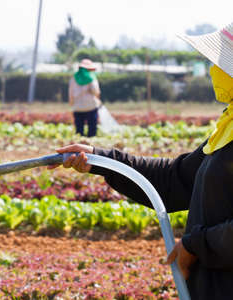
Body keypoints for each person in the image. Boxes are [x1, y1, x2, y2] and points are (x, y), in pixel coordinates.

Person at [53, 23, 233, 300]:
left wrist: (197, 246)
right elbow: (175, 179)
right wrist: (102, 159)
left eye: (220, 63)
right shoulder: (229, 126)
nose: (214, 70)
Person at [69, 59, 102, 137]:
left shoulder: (74, 78)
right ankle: (90, 145)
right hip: (90, 106)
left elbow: (70, 93)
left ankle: (79, 145)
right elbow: (96, 92)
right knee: (92, 129)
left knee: (79, 130)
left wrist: (71, 104)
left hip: (77, 107)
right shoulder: (91, 78)